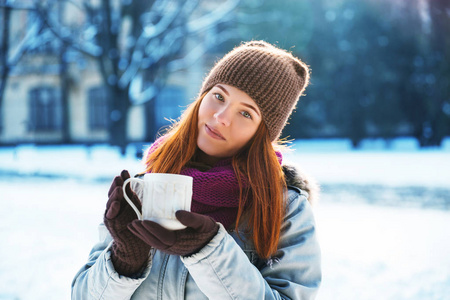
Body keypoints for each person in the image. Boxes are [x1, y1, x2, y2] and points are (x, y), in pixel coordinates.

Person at [72, 40, 321, 299]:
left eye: (246, 114)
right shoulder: (143, 188)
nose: (221, 116)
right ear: (202, 97)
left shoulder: (283, 208)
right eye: (219, 96)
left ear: (262, 134)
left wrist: (209, 251)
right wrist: (124, 260)